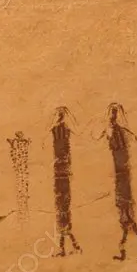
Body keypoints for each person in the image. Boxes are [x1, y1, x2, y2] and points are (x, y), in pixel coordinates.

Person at [100, 103, 137, 262]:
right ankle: (131, 253)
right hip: (122, 179)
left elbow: (116, 143)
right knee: (129, 229)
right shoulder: (118, 131)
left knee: (131, 227)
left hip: (122, 182)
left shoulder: (117, 132)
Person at [50, 107, 82, 255]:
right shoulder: (61, 130)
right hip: (61, 173)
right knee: (63, 218)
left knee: (63, 217)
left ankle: (70, 247)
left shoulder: (58, 130)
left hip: (60, 174)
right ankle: (68, 248)